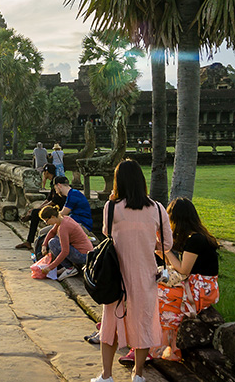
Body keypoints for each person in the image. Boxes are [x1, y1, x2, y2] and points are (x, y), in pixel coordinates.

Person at [92, 159, 172, 382]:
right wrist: (148, 244)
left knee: (111, 327)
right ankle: (138, 375)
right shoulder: (157, 208)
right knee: (143, 323)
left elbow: (108, 235)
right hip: (145, 277)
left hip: (117, 277)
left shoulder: (112, 207)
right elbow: (167, 244)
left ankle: (106, 376)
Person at [157, 197, 220, 362]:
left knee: (160, 295)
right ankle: (167, 345)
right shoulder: (195, 237)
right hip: (200, 284)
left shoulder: (195, 240)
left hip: (201, 288)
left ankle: (166, 346)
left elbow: (184, 270)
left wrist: (166, 251)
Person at [37, 203, 92, 280]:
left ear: (52, 217)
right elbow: (52, 232)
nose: (46, 223)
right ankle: (67, 267)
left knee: (53, 243)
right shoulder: (63, 219)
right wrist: (44, 245)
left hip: (82, 255)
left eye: (46, 221)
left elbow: (65, 251)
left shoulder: (63, 227)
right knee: (53, 241)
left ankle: (70, 268)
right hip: (84, 253)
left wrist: (50, 267)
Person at [15, 164, 60, 251]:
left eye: (44, 172)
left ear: (46, 172)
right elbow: (48, 199)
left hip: (59, 209)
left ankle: (29, 240)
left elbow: (54, 200)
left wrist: (41, 209)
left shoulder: (56, 182)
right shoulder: (53, 182)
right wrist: (40, 207)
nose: (43, 174)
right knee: (35, 211)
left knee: (36, 213)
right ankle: (28, 238)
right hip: (55, 206)